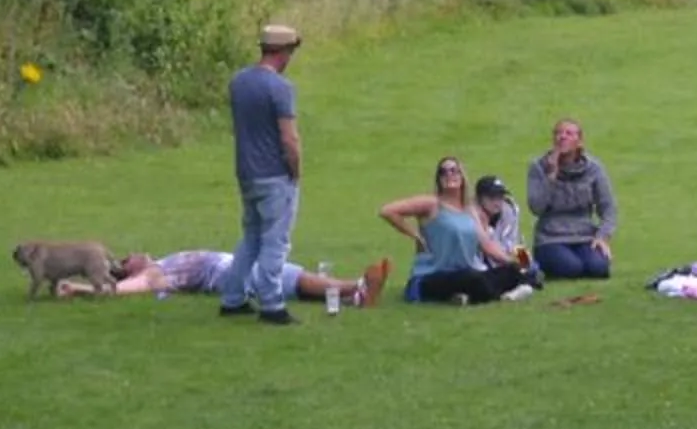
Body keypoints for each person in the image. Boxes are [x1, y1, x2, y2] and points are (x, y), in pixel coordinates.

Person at [221, 22, 305, 325]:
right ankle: (271, 303)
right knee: (276, 241)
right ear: (283, 52)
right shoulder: (281, 88)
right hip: (274, 175)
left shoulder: (239, 81)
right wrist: (295, 171)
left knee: (252, 237)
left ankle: (233, 297)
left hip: (246, 173)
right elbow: (289, 138)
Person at [384, 156, 538, 305]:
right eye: (443, 172)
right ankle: (501, 293)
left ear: (462, 176)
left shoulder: (470, 210)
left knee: (515, 271)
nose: (449, 175)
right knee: (473, 279)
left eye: (454, 170)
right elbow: (388, 211)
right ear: (438, 179)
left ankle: (466, 296)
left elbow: (487, 245)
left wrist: (513, 262)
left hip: (465, 271)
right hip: (432, 274)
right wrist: (415, 235)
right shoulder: (432, 204)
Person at [59, 250, 386, 307]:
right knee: (292, 277)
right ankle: (356, 285)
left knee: (292, 278)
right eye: (124, 260)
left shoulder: (160, 263)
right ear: (128, 269)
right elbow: (115, 290)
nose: (132, 255)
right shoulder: (152, 276)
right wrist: (78, 288)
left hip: (237, 265)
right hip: (230, 274)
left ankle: (355, 297)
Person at [527, 119, 617, 279]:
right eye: (558, 133)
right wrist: (551, 176)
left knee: (599, 269)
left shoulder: (593, 169)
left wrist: (603, 236)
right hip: (550, 238)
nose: (562, 137)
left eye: (568, 133)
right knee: (571, 269)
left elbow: (608, 207)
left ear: (579, 141)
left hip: (585, 236)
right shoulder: (538, 167)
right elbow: (536, 208)